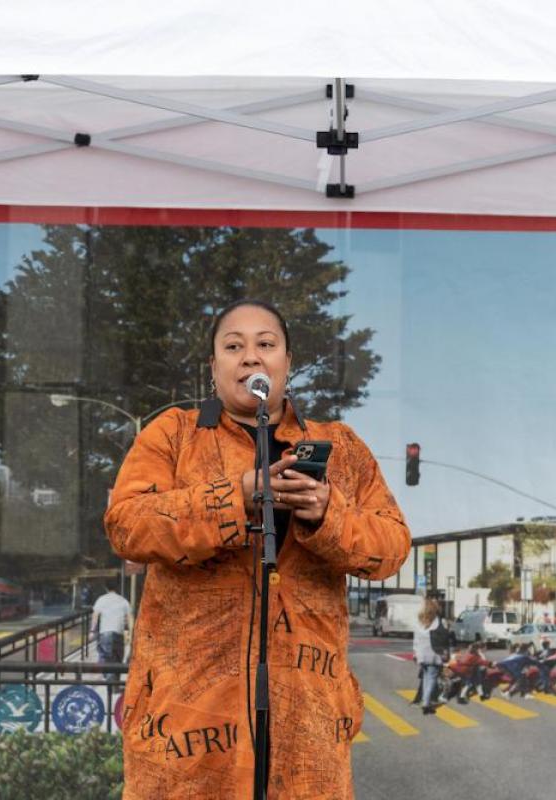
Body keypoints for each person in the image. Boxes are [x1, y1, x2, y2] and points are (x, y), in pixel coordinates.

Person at [104, 299, 411, 798]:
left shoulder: (342, 448)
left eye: (265, 345)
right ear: (214, 367)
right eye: (233, 346)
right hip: (188, 727)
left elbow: (392, 546)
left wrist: (328, 512)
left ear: (287, 363)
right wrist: (237, 495)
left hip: (308, 721)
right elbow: (127, 527)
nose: (250, 357)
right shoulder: (174, 435)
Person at [91, 582, 133, 682]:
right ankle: (115, 682)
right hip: (118, 633)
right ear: (117, 588)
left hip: (105, 633)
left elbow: (95, 616)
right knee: (118, 658)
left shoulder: (101, 599)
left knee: (106, 657)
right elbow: (129, 618)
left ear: (106, 588)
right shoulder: (123, 600)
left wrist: (92, 630)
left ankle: (109, 681)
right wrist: (130, 633)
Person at [414, 598, 446, 714]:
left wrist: (416, 653)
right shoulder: (437, 621)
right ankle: (426, 703)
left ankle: (424, 700)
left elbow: (416, 639)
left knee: (427, 677)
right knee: (431, 678)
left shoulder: (420, 621)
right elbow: (443, 637)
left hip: (422, 654)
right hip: (434, 654)